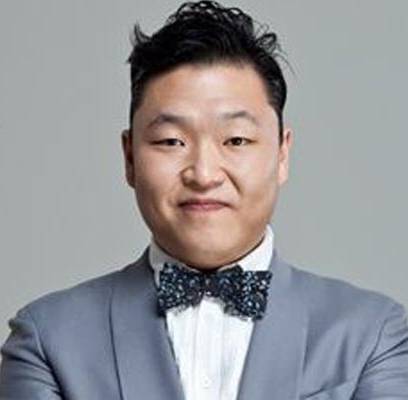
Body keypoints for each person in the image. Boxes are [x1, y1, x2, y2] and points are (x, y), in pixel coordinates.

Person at [1, 1, 407, 399]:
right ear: (130, 158)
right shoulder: (47, 341)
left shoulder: (372, 335)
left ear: (282, 154)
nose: (204, 174)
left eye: (236, 140)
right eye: (171, 141)